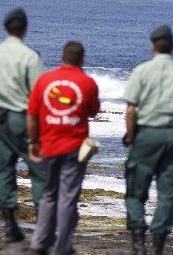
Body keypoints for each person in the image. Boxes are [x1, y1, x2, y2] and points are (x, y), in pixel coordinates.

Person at [123, 25, 173, 255]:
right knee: (167, 193)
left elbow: (130, 110)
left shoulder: (141, 71)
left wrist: (131, 138)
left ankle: (138, 242)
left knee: (136, 190)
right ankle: (158, 245)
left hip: (146, 134)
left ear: (152, 46)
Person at [0, 7, 45, 243]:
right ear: (25, 29)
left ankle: (10, 225)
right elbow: (38, 94)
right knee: (37, 169)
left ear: (5, 28)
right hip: (25, 117)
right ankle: (42, 222)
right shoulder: (31, 56)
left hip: (1, 119)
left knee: (5, 171)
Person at [27, 41, 100, 255]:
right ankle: (62, 247)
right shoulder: (87, 82)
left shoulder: (44, 80)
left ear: (62, 57)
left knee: (49, 194)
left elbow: (31, 114)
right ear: (82, 60)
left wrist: (33, 142)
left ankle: (39, 243)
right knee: (68, 198)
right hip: (74, 149)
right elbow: (93, 111)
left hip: (48, 146)